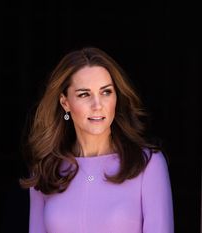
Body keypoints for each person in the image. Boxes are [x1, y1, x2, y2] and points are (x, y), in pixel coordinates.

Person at [20, 47, 174, 233]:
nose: (97, 105)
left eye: (106, 92)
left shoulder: (147, 164)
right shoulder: (46, 170)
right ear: (65, 103)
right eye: (84, 94)